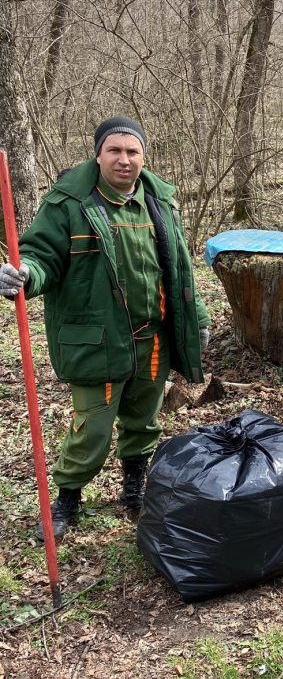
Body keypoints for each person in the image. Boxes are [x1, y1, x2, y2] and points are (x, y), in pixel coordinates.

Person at [0, 115, 210, 539]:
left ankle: (134, 487)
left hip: (152, 339)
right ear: (98, 155)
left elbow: (179, 267)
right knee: (92, 429)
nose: (124, 159)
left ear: (143, 156)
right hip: (99, 342)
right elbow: (42, 257)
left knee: (144, 420)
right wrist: (24, 275)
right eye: (114, 150)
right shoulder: (68, 204)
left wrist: (199, 318)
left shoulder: (160, 202)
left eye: (133, 151)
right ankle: (68, 498)